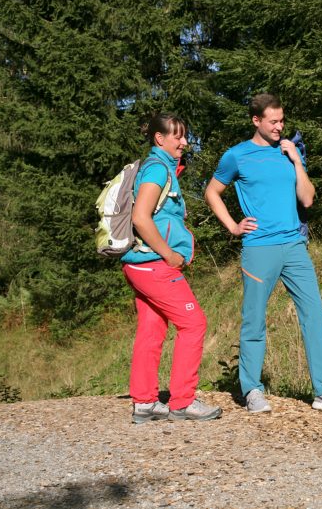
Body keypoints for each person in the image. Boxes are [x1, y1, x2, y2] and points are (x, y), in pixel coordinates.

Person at [204, 93, 322, 413]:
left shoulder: (289, 151)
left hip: (294, 245)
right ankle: (252, 390)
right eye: (273, 121)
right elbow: (212, 192)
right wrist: (233, 226)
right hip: (259, 247)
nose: (279, 127)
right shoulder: (236, 156)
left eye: (282, 120)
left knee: (314, 313)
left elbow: (308, 199)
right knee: (254, 319)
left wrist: (297, 160)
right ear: (256, 120)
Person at [121, 113, 222, 424]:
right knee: (193, 323)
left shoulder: (159, 167)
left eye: (185, 135)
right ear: (159, 139)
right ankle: (183, 402)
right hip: (154, 264)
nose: (184, 142)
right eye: (177, 136)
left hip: (140, 264)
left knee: (152, 329)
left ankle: (145, 403)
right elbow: (140, 218)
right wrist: (169, 255)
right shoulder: (156, 169)